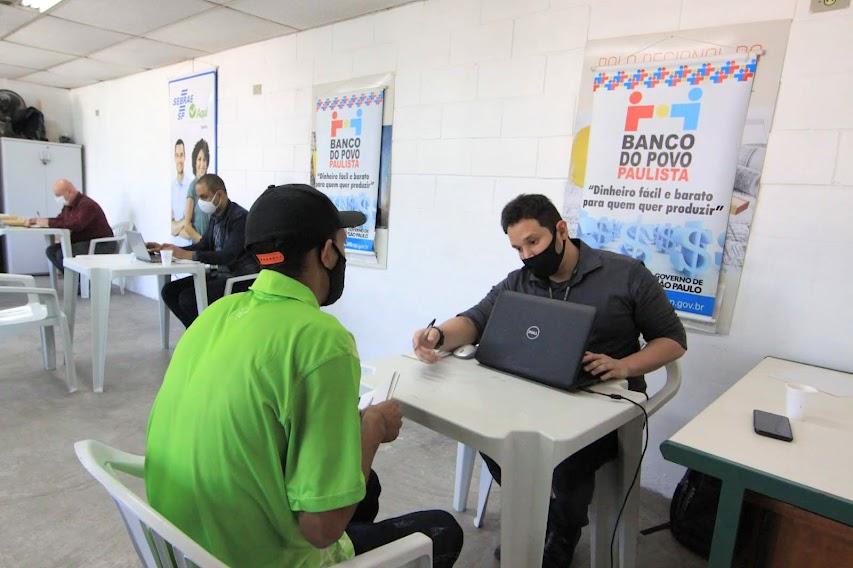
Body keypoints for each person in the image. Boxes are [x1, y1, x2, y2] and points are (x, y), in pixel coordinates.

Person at [145, 183, 463, 568]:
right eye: (342, 245)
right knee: (444, 530)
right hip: (262, 559)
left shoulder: (215, 314)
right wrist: (373, 429)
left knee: (369, 487)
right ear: (327, 253)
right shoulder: (322, 341)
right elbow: (321, 529)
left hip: (186, 547)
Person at [412, 194, 687, 566]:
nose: (526, 255)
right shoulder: (521, 281)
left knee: (568, 461)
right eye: (517, 248)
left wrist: (625, 366)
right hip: (532, 397)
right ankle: (548, 515)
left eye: (533, 242)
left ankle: (563, 529)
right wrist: (438, 336)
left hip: (604, 406)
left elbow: (672, 340)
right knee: (491, 438)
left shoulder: (625, 275)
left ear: (561, 230)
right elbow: (476, 319)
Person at [150, 173, 255, 328]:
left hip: (237, 279)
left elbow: (228, 256)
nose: (201, 202)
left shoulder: (240, 218)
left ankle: (204, 335)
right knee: (169, 291)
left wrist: (189, 255)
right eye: (199, 197)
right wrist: (173, 250)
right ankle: (194, 334)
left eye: (204, 196)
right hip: (220, 275)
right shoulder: (215, 216)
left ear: (220, 194)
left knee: (188, 298)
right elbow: (203, 245)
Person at [27, 178, 115, 273]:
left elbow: (77, 225)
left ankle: (77, 282)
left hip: (101, 244)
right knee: (51, 251)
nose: (57, 198)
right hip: (84, 241)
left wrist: (48, 223)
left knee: (62, 254)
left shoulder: (87, 205)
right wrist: (41, 221)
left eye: (58, 195)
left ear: (69, 192)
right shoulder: (68, 205)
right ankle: (74, 280)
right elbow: (60, 220)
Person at [182, 138, 211, 243]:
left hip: (214, 249)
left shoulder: (212, 185)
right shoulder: (192, 187)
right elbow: (187, 225)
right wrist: (202, 241)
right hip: (200, 247)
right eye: (199, 159)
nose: (202, 164)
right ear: (195, 162)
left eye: (204, 160)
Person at [170, 139, 192, 245]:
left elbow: (190, 231)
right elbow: (170, 228)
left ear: (185, 157)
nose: (179, 160)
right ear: (174, 158)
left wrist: (175, 227)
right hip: (173, 247)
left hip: (189, 246)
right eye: (177, 155)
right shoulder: (171, 187)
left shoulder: (191, 186)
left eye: (181, 155)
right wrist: (185, 221)